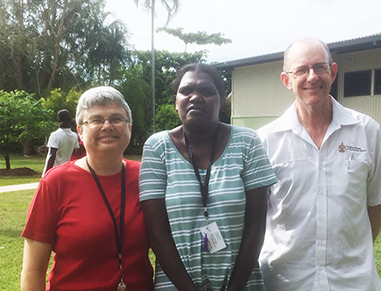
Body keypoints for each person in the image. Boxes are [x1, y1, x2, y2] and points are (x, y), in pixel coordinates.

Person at [257, 37, 381, 291]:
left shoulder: (366, 131)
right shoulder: (266, 140)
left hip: (352, 282)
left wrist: (351, 247)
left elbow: (379, 202)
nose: (312, 77)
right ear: (286, 80)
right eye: (301, 70)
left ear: (333, 72)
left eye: (319, 67)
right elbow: (257, 215)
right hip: (285, 282)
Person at [139, 63, 278, 291]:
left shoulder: (248, 142)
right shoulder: (157, 147)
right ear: (176, 100)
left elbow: (256, 226)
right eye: (186, 91)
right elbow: (157, 234)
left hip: (241, 283)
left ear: (222, 101)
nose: (195, 97)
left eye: (207, 91)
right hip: (176, 285)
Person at [21, 87, 153, 291]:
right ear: (80, 131)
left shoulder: (146, 177)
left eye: (117, 118)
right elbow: (33, 270)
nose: (107, 126)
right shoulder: (56, 183)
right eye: (96, 120)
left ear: (129, 127)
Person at [41, 109, 79, 176]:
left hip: (54, 171)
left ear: (58, 120)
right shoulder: (74, 136)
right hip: (66, 171)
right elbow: (72, 152)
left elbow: (52, 155)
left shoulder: (55, 135)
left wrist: (46, 173)